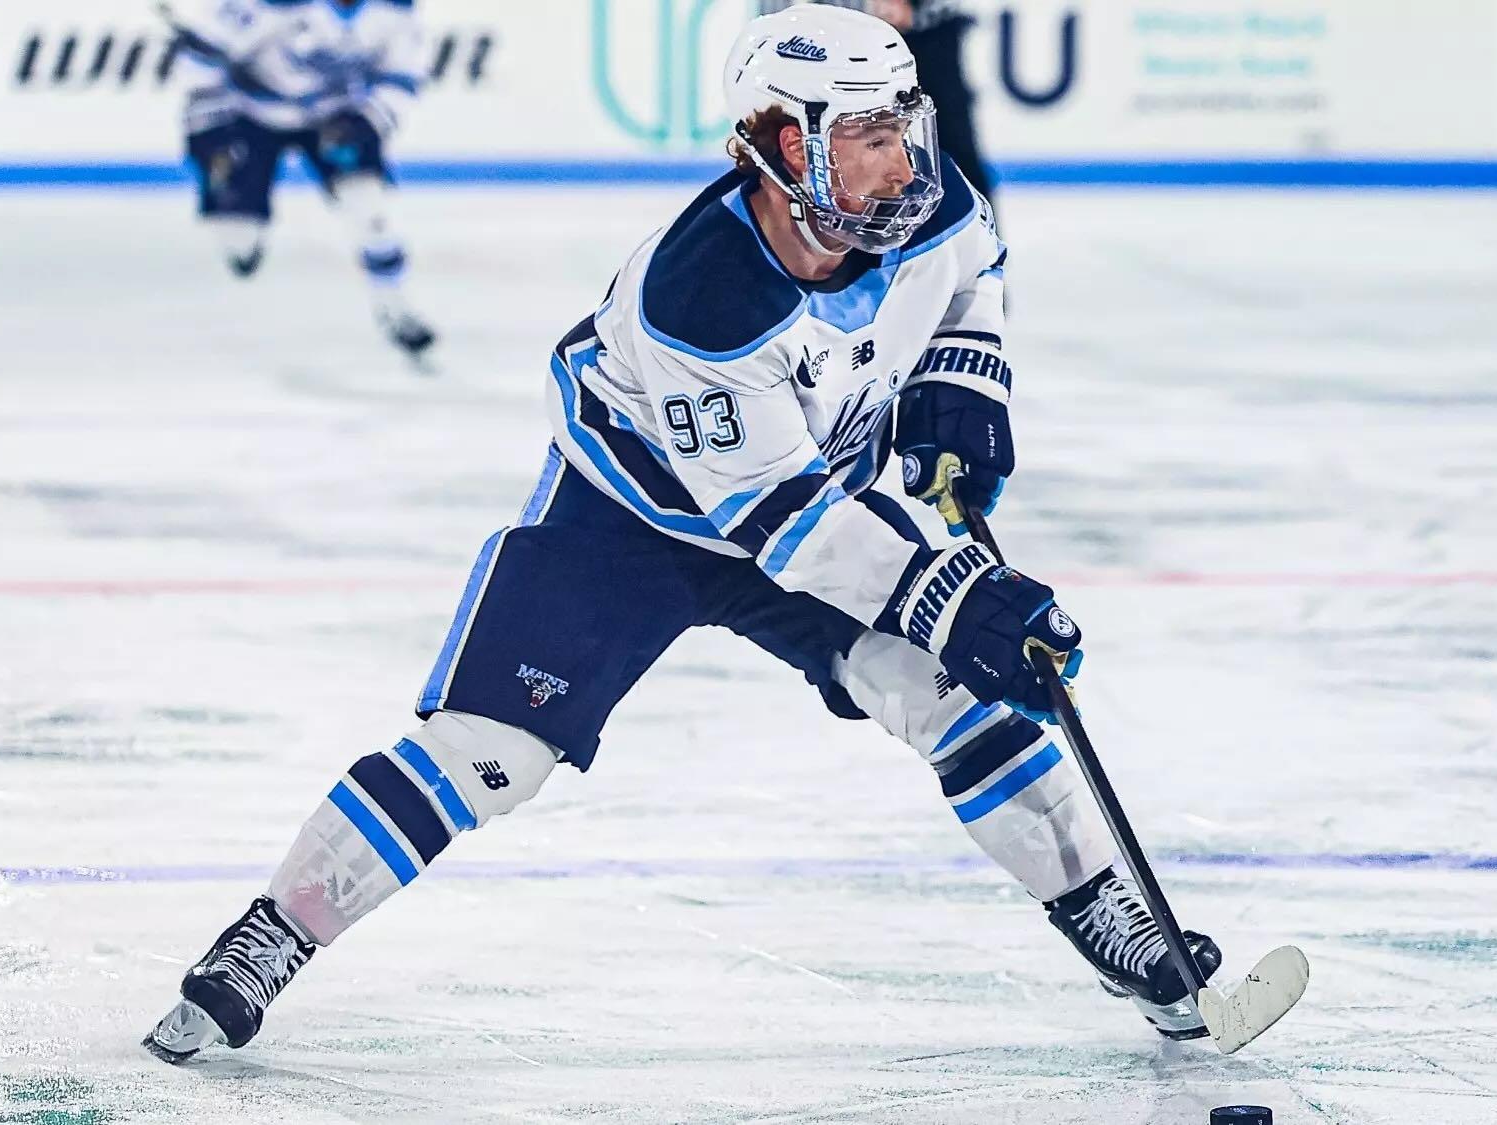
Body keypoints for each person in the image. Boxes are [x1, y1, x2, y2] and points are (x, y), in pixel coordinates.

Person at [141, 5, 1219, 1065]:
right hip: (634, 522)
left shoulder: (933, 206)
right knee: (489, 757)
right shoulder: (698, 297)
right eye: (872, 137)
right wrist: (959, 599)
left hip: (814, 496)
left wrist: (955, 388)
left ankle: (1109, 919)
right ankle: (271, 935)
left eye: (904, 128)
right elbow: (785, 530)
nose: (905, 165)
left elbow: (970, 282)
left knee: (945, 688)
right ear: (788, 144)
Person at [168, 0, 436, 362]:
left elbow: (402, 76)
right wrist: (211, 133)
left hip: (334, 118)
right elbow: (200, 58)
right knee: (239, 237)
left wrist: (367, 121)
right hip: (250, 116)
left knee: (367, 205)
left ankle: (395, 305)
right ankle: (242, 239)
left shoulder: (393, 10)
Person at [757, 0, 996, 203]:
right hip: (811, 38)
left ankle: (975, 244)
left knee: (945, 149)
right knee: (792, 141)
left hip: (916, 34)